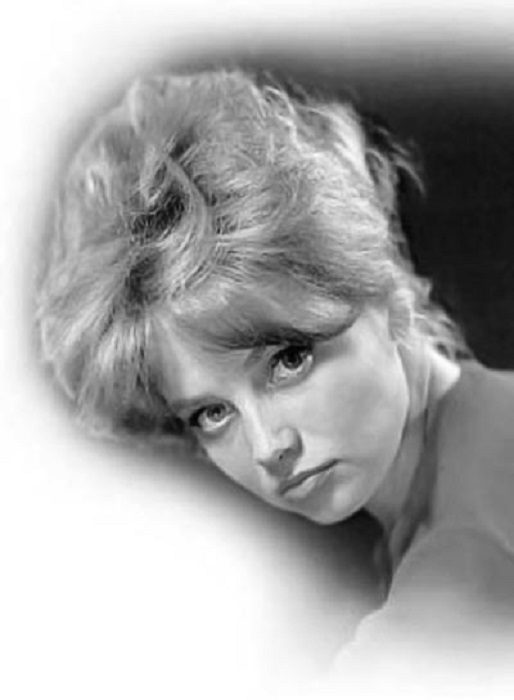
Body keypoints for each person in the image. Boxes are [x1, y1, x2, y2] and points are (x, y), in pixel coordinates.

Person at [36, 67, 514, 660]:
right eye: (212, 413)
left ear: (384, 291)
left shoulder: (453, 590)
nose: (268, 447)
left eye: (289, 360)